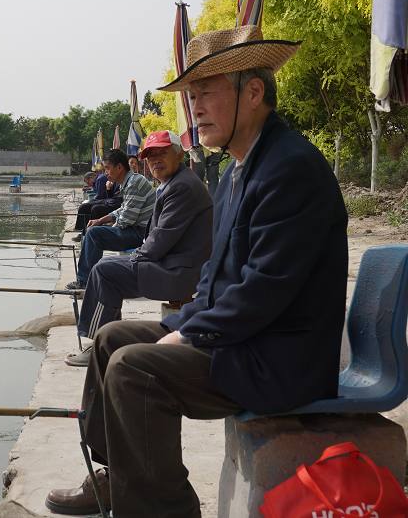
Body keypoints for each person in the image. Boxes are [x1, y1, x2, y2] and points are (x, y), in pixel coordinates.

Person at [46, 25, 348, 517]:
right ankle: (117, 476)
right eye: (192, 97)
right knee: (111, 340)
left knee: (134, 370)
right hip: (243, 340)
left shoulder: (291, 169)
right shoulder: (236, 170)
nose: (196, 108)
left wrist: (190, 335)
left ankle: (166, 510)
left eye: (207, 93)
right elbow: (214, 277)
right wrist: (183, 324)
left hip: (278, 358)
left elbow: (264, 290)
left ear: (254, 92)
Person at [64, 130, 212, 367]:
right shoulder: (173, 183)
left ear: (179, 154)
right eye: (150, 156)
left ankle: (99, 344)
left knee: (105, 271)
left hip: (179, 273)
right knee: (107, 267)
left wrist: (135, 258)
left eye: (161, 153)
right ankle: (108, 340)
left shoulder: (182, 187)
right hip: (172, 263)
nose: (155, 160)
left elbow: (161, 238)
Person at [66, 149, 154, 290]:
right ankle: (88, 278)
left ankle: (84, 281)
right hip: (137, 229)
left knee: (94, 234)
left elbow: (126, 220)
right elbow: (122, 209)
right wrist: (100, 221)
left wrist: (106, 228)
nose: (105, 172)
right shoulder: (128, 182)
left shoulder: (134, 183)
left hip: (142, 234)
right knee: (94, 230)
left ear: (119, 167)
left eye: (107, 168)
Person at [73, 167, 124, 242]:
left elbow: (102, 196)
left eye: (108, 170)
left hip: (116, 202)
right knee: (84, 206)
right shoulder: (114, 180)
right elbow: (109, 196)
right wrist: (108, 189)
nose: (106, 174)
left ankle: (92, 233)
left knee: (95, 208)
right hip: (110, 201)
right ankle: (83, 231)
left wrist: (93, 201)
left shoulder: (102, 179)